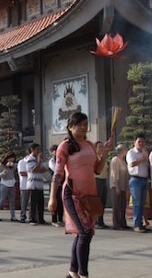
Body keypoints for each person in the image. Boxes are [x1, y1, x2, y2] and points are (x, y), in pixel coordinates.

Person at [48, 112, 112, 278]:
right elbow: (58, 173)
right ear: (70, 127)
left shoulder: (90, 145)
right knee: (84, 232)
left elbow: (97, 169)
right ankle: (83, 275)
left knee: (85, 233)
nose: (84, 127)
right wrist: (52, 197)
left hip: (89, 196)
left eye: (85, 124)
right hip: (73, 194)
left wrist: (104, 152)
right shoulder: (65, 146)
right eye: (79, 124)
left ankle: (72, 272)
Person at [126, 134, 150, 233]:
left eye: (143, 142)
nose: (141, 143)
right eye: (139, 141)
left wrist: (146, 157)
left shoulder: (144, 152)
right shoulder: (131, 152)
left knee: (142, 203)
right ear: (134, 142)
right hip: (135, 180)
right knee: (137, 203)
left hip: (144, 179)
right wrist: (142, 159)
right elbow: (131, 164)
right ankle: (136, 225)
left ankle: (141, 224)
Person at [110, 144, 129, 230]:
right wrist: (117, 186)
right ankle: (116, 224)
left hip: (123, 186)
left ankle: (122, 222)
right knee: (117, 205)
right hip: (116, 186)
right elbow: (114, 174)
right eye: (125, 149)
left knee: (122, 205)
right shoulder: (115, 160)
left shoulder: (123, 160)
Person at [0, 152, 18, 221]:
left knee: (12, 201)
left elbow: (17, 166)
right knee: (2, 200)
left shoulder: (12, 165)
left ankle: (13, 216)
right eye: (11, 158)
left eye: (13, 159)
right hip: (4, 184)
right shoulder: (1, 165)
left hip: (12, 184)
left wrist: (12, 164)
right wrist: (3, 173)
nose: (12, 160)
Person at [27, 143, 47, 226]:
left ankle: (41, 218)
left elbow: (43, 169)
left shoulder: (40, 160)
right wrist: (38, 161)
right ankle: (32, 219)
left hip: (39, 183)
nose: (39, 151)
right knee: (33, 203)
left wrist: (39, 164)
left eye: (39, 149)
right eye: (37, 149)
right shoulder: (30, 159)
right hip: (33, 184)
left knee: (40, 202)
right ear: (32, 150)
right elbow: (34, 169)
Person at [94, 141, 109, 229]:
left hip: (104, 180)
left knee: (103, 202)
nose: (101, 148)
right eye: (99, 147)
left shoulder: (103, 158)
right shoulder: (94, 158)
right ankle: (95, 221)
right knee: (97, 201)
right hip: (97, 180)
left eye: (102, 147)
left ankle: (101, 220)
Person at [49, 144, 64, 227]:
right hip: (54, 183)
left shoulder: (61, 159)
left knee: (61, 201)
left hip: (61, 183)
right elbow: (56, 170)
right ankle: (54, 220)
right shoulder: (52, 161)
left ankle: (60, 219)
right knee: (54, 201)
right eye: (55, 151)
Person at [18, 150, 30, 223]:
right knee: (24, 202)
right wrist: (32, 173)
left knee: (31, 202)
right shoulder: (22, 162)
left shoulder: (33, 161)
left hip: (31, 185)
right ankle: (23, 216)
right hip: (24, 185)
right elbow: (22, 173)